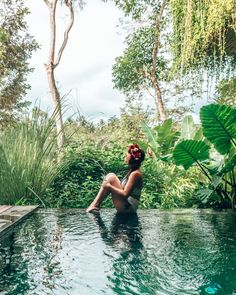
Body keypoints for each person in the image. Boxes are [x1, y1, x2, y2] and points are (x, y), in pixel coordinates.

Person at [86, 143, 145, 214]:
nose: (125, 156)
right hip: (127, 204)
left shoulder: (135, 174)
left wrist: (109, 186)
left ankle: (95, 205)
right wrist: (109, 186)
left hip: (129, 207)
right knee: (110, 176)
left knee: (111, 177)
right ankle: (95, 204)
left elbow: (125, 194)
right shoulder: (132, 171)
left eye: (126, 155)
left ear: (131, 158)